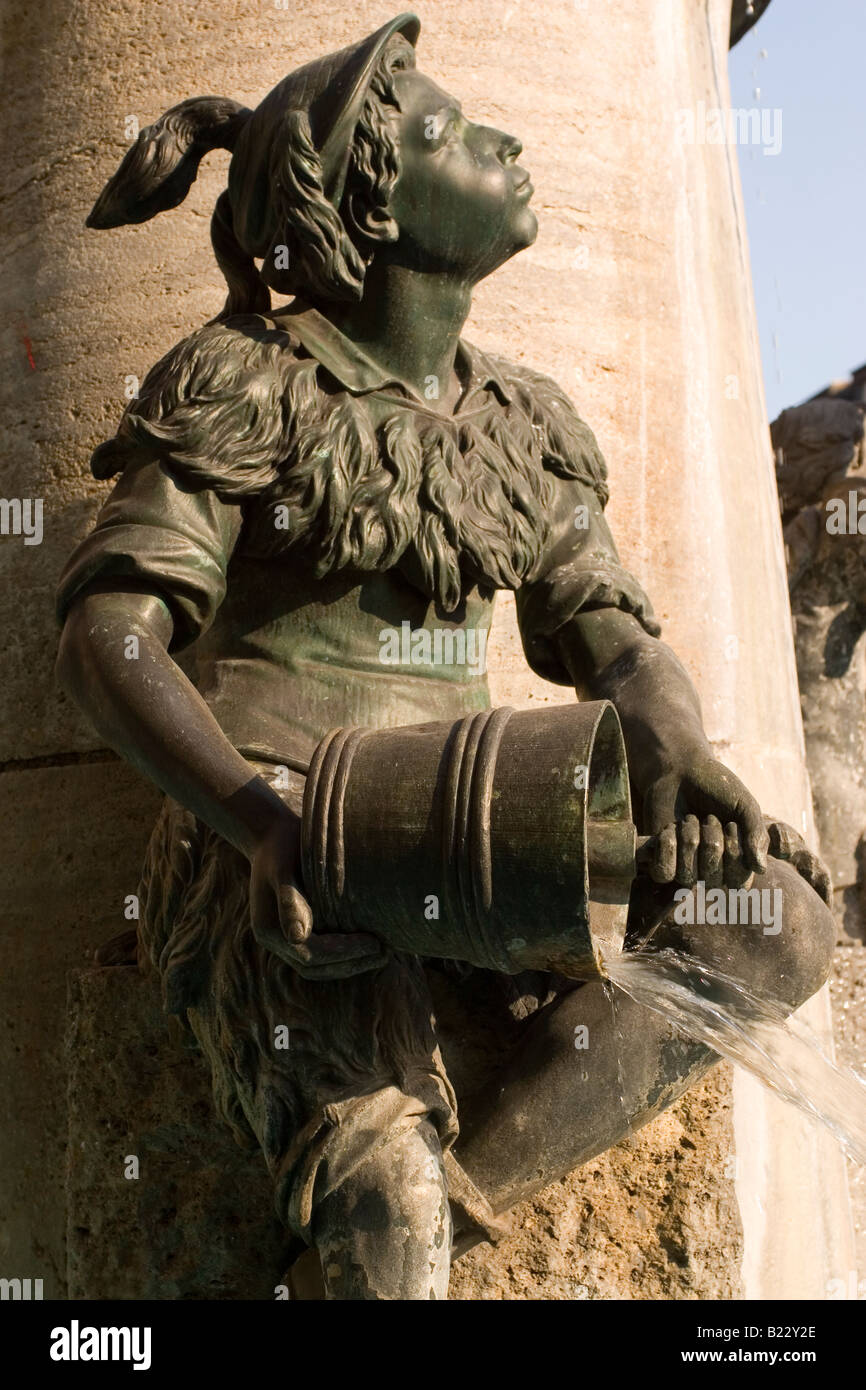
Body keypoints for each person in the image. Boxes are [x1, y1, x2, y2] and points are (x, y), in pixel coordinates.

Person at [56, 13, 835, 1299]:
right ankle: (385, 1205)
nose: (501, 140)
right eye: (447, 134)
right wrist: (260, 822)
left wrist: (679, 756)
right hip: (282, 830)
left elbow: (620, 646)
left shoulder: (520, 422)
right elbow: (106, 639)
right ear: (368, 215)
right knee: (382, 1208)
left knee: (776, 926)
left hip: (472, 830)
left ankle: (435, 1202)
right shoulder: (243, 378)